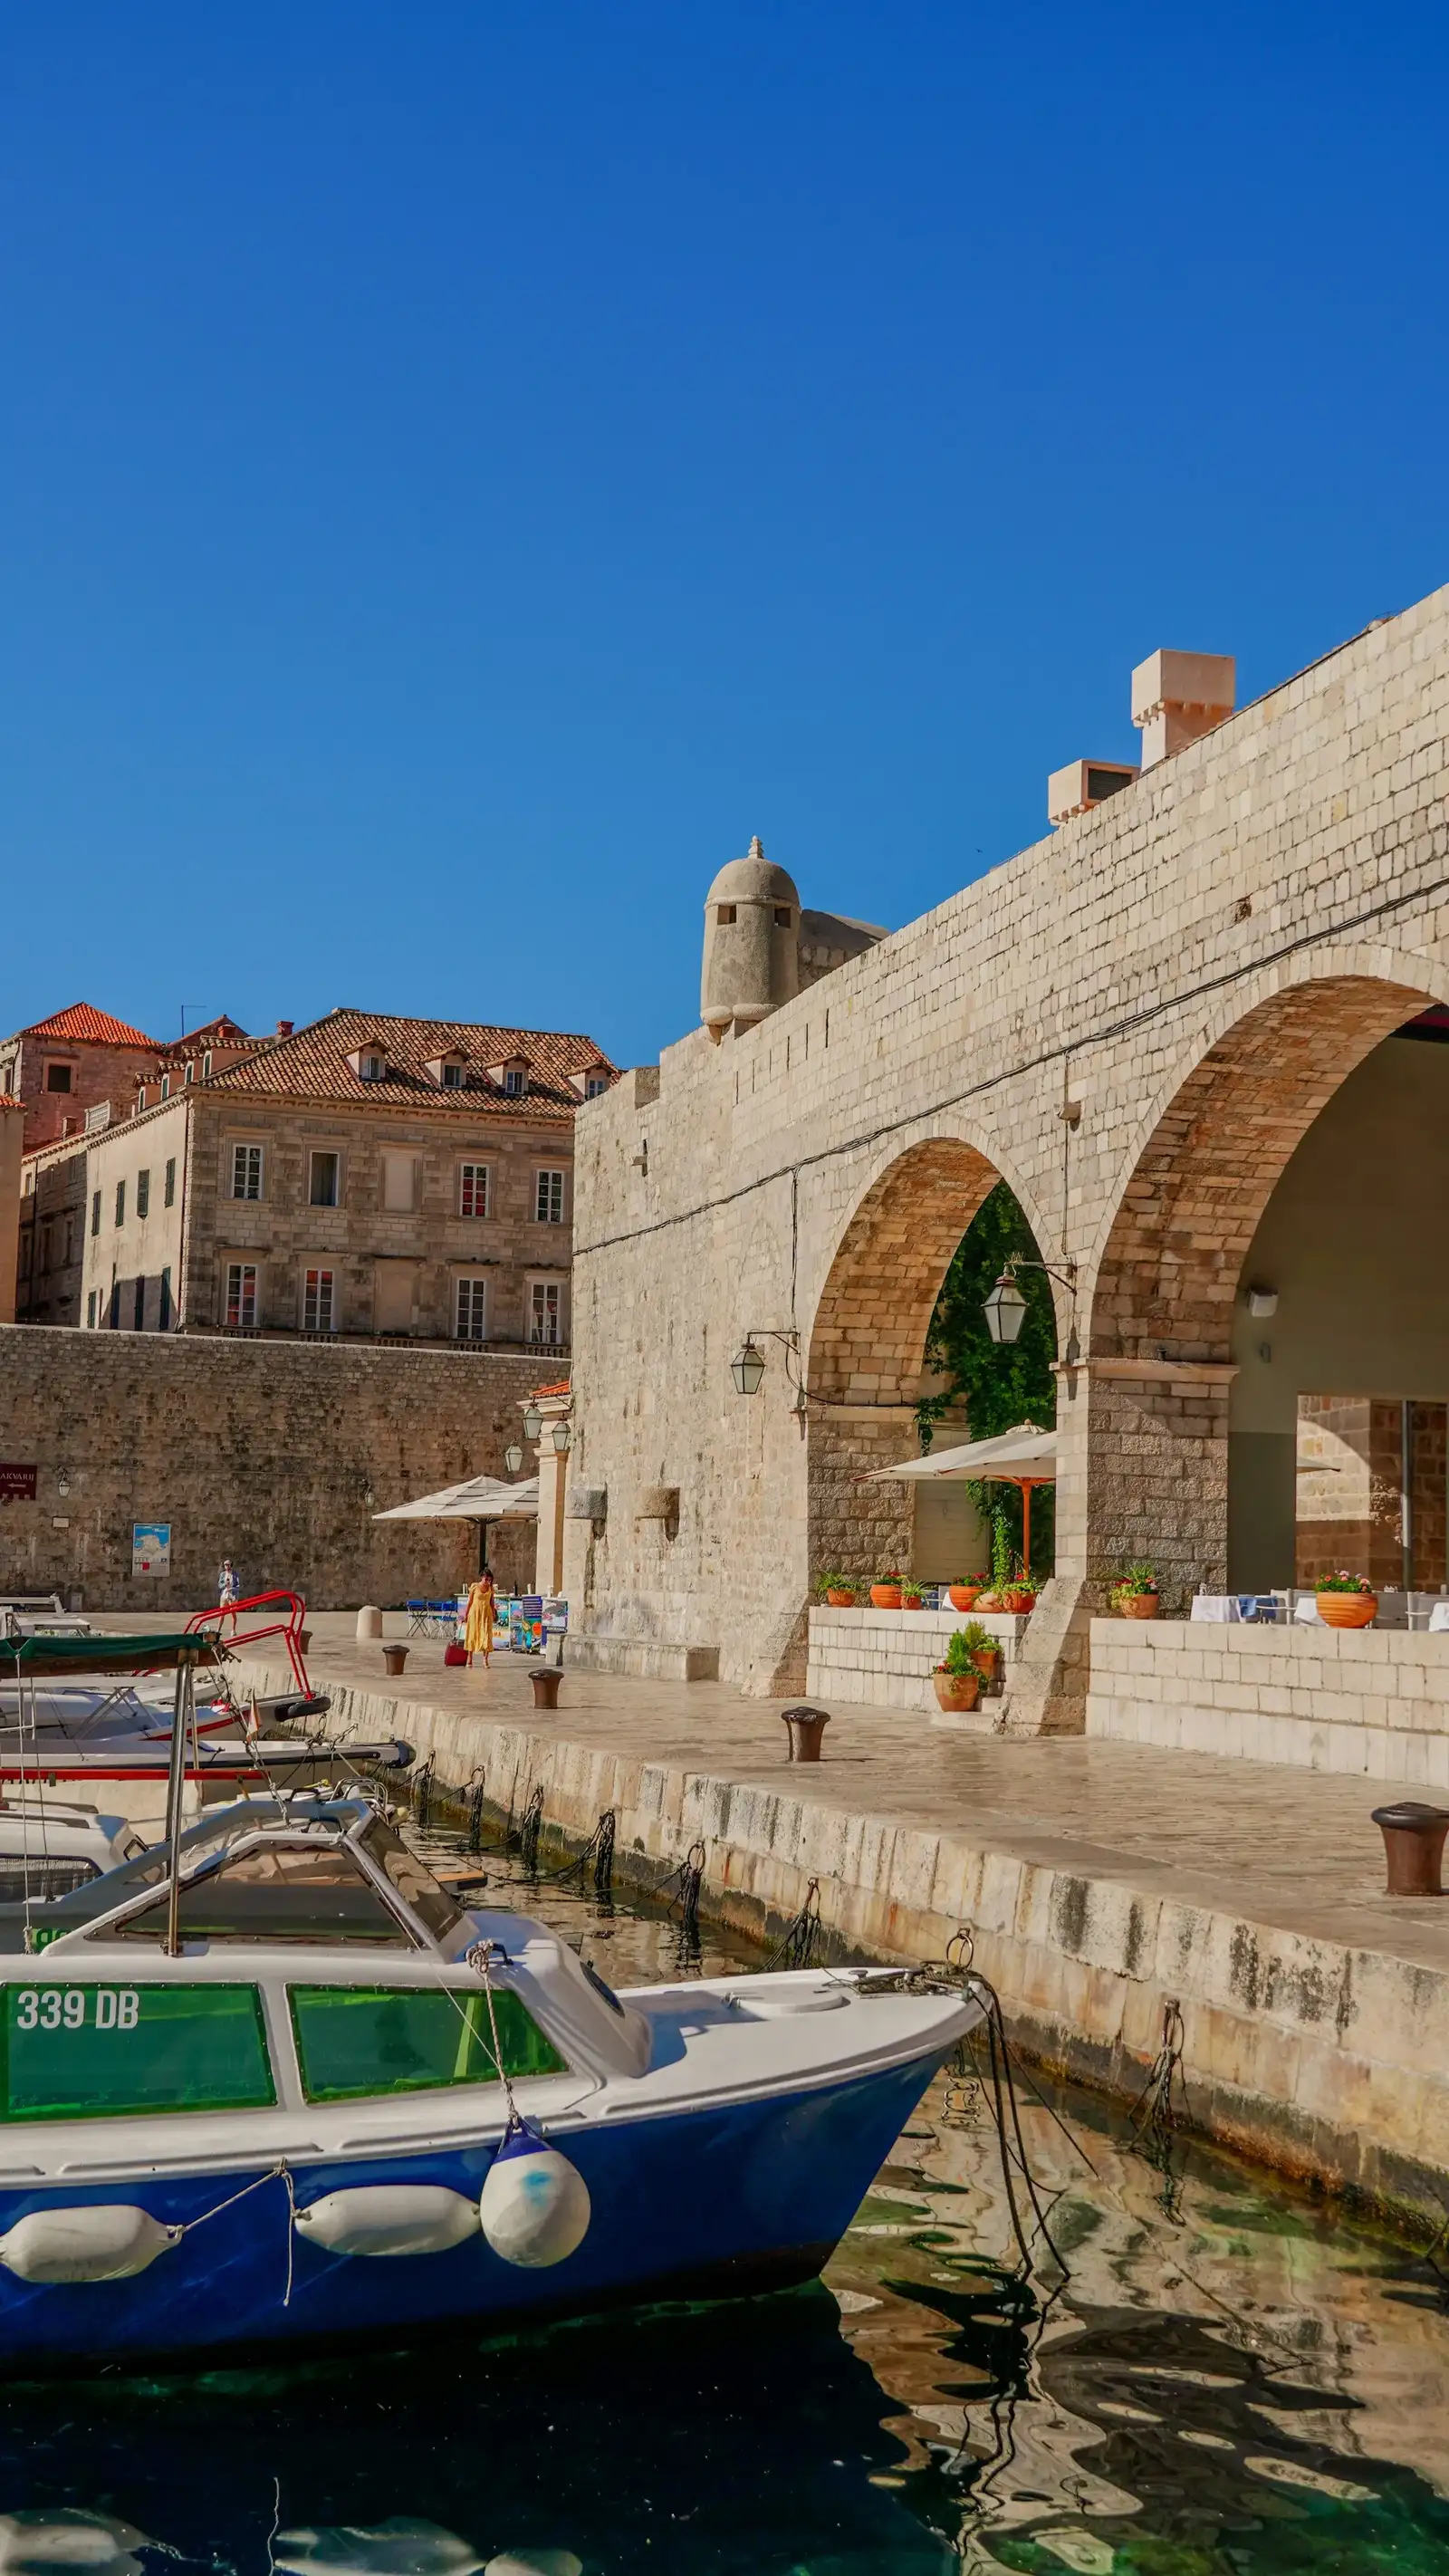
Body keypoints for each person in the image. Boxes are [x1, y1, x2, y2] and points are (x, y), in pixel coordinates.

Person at [462, 1570, 496, 1668]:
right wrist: (466, 1614)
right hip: (475, 1613)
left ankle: (485, 1659)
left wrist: (493, 1614)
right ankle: (469, 1657)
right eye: (486, 1579)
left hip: (486, 1614)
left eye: (490, 1580)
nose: (488, 1581)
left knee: (486, 1635)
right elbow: (470, 1602)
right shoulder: (474, 1586)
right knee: (472, 1633)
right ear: (482, 1577)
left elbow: (492, 1602)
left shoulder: (490, 1588)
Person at [217, 1558, 241, 1631]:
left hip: (232, 1596)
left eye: (228, 1565)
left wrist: (232, 1589)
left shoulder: (235, 1574)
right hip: (224, 1596)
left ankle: (233, 1630)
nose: (226, 1566)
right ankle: (218, 1630)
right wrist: (225, 1584)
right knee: (222, 1613)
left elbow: (238, 1585)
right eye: (225, 1565)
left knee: (233, 1613)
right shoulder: (223, 1574)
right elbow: (219, 1585)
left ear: (231, 1565)